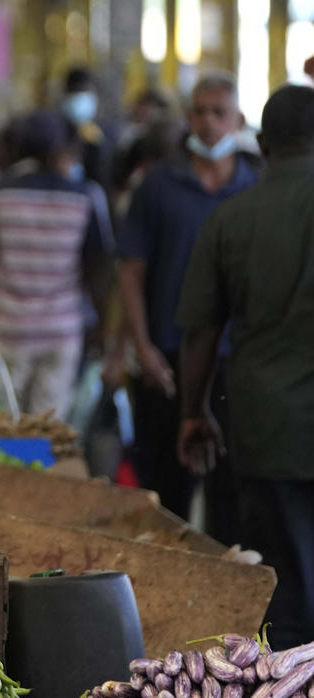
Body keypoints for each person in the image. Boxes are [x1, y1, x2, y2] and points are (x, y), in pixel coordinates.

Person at [176, 84, 314, 649]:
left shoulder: (232, 220)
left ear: (259, 141)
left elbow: (201, 333)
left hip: (268, 425)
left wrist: (193, 412)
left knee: (285, 585)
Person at [115, 72, 258, 531]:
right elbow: (131, 272)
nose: (209, 122)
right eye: (199, 111)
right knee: (166, 493)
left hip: (235, 360)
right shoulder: (158, 185)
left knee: (232, 497)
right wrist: (143, 347)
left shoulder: (253, 187)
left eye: (219, 112)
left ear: (237, 118)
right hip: (169, 359)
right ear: (187, 117)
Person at [0, 110, 114, 419]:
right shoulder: (86, 195)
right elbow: (99, 268)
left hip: (7, 330)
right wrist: (103, 328)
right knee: (48, 429)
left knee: (5, 429)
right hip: (62, 331)